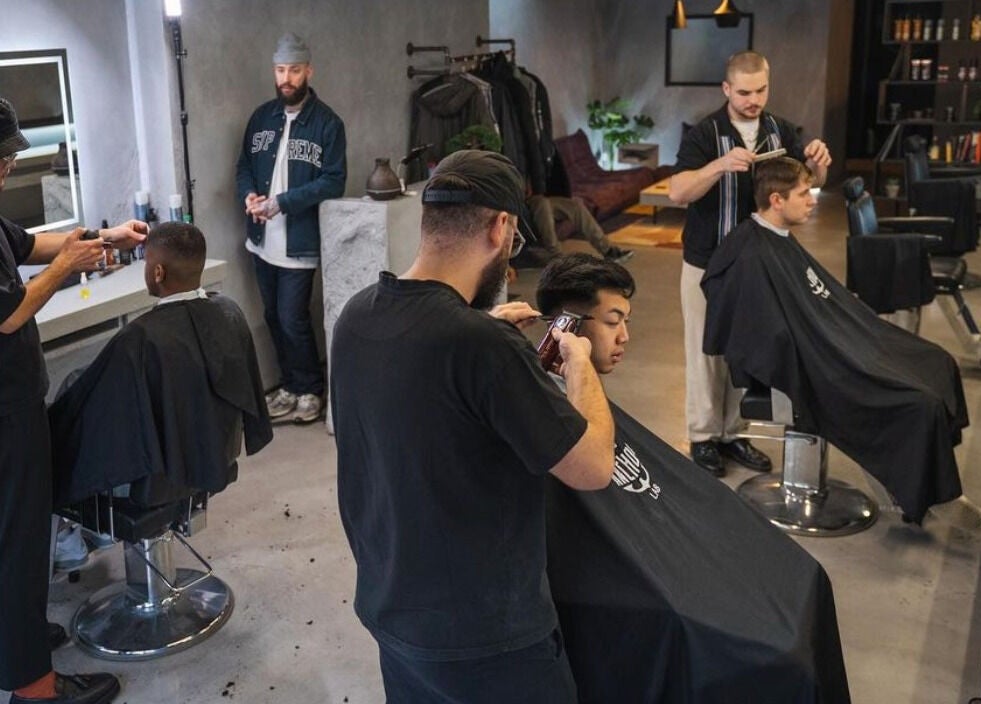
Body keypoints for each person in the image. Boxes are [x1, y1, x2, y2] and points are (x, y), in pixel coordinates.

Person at [330, 150, 615, 703]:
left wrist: (480, 324)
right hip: (486, 638)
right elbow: (593, 467)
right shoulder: (482, 347)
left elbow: (422, 368)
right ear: (501, 226)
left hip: (392, 610)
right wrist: (579, 363)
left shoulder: (357, 315)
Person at [532, 252, 851, 703]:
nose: (625, 336)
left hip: (680, 555)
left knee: (805, 578)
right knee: (779, 654)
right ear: (568, 326)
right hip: (649, 591)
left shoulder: (583, 399)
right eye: (612, 321)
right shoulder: (543, 415)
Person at [702, 157, 967, 524]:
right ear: (776, 200)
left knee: (934, 361)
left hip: (833, 346)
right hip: (810, 366)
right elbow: (767, 341)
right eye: (803, 194)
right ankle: (917, 488)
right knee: (916, 402)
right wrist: (829, 351)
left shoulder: (775, 240)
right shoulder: (750, 255)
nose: (813, 201)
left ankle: (927, 480)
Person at [0, 97, 145, 704]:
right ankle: (37, 690)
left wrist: (100, 235)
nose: (8, 168)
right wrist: (65, 270)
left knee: (15, 537)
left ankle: (19, 639)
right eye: (4, 157)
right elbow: (7, 316)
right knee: (18, 539)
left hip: (14, 403)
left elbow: (29, 243)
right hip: (3, 416)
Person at [668, 50, 832, 477]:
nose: (753, 99)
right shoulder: (705, 135)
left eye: (760, 90)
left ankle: (734, 433)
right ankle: (703, 437)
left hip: (758, 266)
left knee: (742, 352)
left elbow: (807, 187)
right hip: (707, 263)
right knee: (705, 352)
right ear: (726, 89)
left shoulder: (779, 131)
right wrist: (720, 166)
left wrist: (817, 165)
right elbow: (677, 192)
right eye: (744, 92)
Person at [48, 222, 273, 508]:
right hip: (214, 457)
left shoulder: (141, 338)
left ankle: (67, 534)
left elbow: (92, 421)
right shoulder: (228, 312)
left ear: (158, 272)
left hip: (151, 478)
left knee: (65, 414)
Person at [235, 32, 347, 424]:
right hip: (262, 239)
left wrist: (282, 202)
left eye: (294, 70)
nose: (286, 78)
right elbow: (244, 167)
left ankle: (309, 388)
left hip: (300, 239)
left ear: (308, 71)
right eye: (281, 70)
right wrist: (250, 195)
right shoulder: (261, 117)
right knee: (271, 315)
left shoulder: (328, 124)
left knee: (292, 317)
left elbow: (333, 181)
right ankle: (287, 386)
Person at [525, 191, 634, 265]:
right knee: (542, 204)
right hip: (523, 201)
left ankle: (608, 250)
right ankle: (554, 254)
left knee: (574, 206)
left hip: (537, 196)